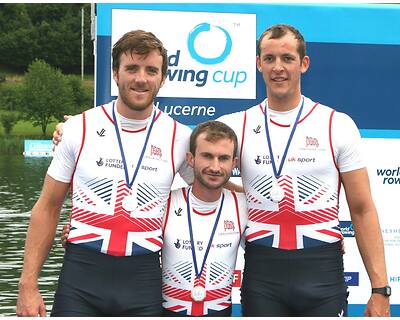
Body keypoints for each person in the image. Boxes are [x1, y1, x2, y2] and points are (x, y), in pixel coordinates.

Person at [16, 30, 193, 316]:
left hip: (143, 280)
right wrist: (28, 285)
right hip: (81, 279)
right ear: (115, 72)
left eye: (151, 70)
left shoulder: (180, 138)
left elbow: (215, 187)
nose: (141, 78)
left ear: (162, 78)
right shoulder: (79, 128)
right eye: (131, 68)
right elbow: (47, 208)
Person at [218, 23, 390, 317]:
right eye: (269, 59)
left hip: (322, 271)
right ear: (258, 63)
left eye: (287, 58)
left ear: (304, 63)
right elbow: (192, 170)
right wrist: (251, 194)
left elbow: (362, 209)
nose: (278, 68)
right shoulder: (237, 126)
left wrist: (379, 289)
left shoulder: (336, 124)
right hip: (263, 273)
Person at [61, 120, 248, 317]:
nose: (215, 166)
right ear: (191, 159)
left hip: (220, 312)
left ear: (234, 163)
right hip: (167, 311)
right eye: (207, 156)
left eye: (224, 158)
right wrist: (77, 232)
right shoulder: (163, 203)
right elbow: (123, 224)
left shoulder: (244, 206)